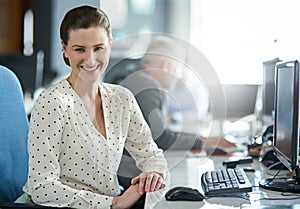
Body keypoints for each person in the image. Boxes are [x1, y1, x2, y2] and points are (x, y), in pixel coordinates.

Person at [21, 5, 168, 209]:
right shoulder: (52, 103)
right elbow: (41, 187)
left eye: (99, 48)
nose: (90, 60)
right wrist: (113, 203)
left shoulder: (121, 99)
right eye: (79, 49)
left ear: (110, 45)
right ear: (64, 48)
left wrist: (153, 174)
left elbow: (151, 154)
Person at [117, 35, 235, 188]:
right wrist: (202, 142)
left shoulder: (138, 78)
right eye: (179, 68)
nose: (179, 75)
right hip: (132, 176)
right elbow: (160, 137)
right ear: (166, 65)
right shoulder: (146, 84)